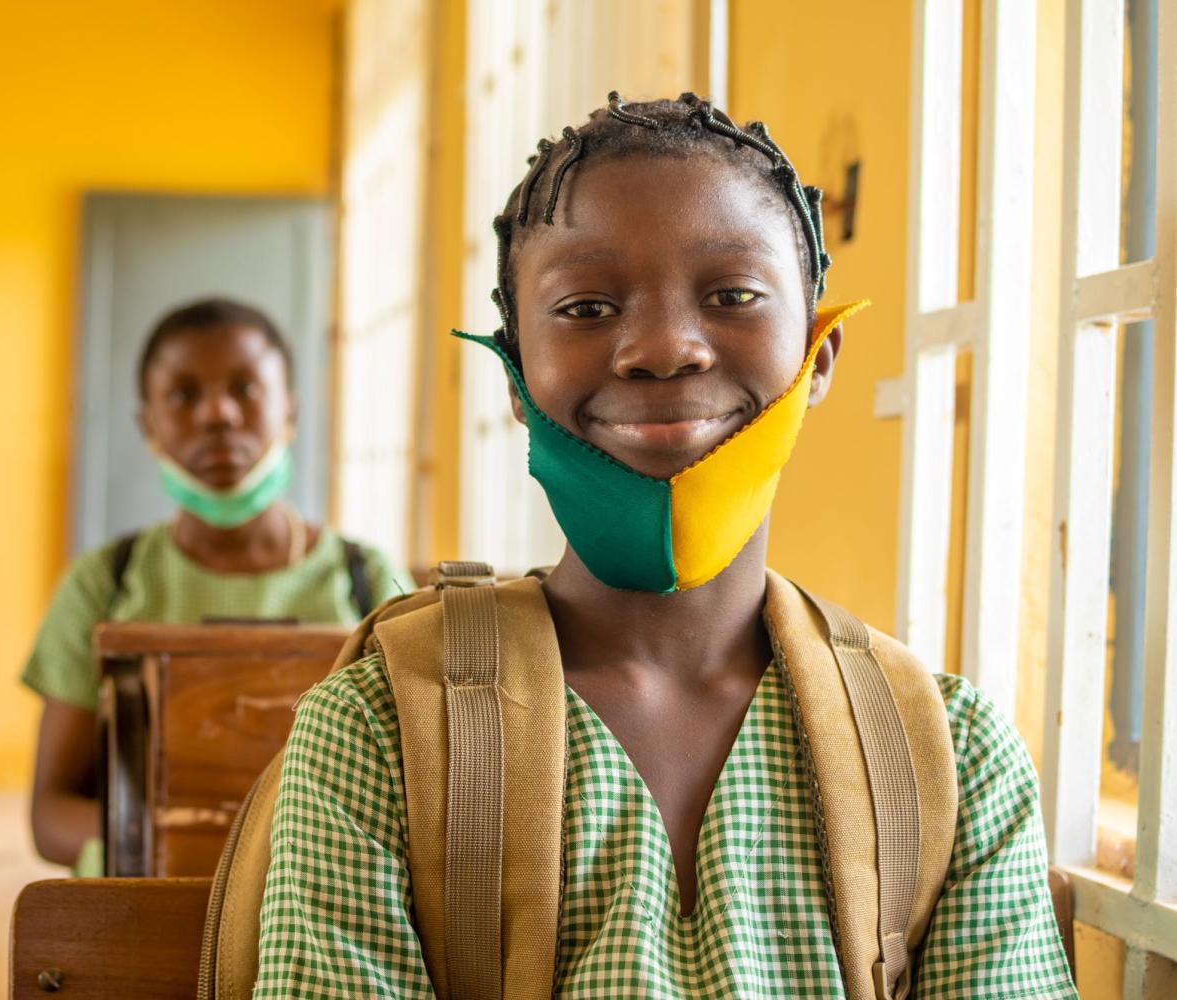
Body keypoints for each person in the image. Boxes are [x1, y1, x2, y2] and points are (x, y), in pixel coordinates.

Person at [253, 96, 1076, 997]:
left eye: (732, 295)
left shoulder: (949, 753)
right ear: (516, 379)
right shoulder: (384, 728)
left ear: (820, 354)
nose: (662, 348)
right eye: (586, 306)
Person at [23, 297, 413, 875]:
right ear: (147, 425)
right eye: (183, 395)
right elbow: (50, 814)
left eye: (246, 389)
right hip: (152, 902)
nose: (218, 415)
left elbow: (423, 792)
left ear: (291, 413)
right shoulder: (104, 584)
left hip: (327, 906)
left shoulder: (368, 584)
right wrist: (163, 849)